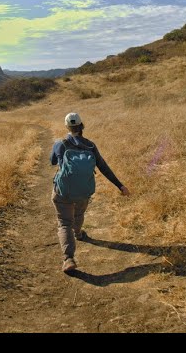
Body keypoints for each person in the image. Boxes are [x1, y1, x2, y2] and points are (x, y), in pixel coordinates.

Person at [50, 112, 131, 273]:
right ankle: (78, 233)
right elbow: (103, 167)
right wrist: (120, 186)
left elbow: (52, 161)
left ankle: (68, 259)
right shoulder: (90, 145)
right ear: (81, 126)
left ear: (67, 126)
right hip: (84, 190)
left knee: (64, 222)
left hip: (63, 190)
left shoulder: (60, 144)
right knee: (78, 214)